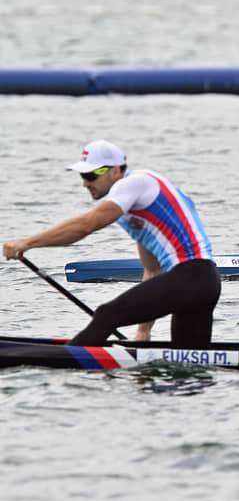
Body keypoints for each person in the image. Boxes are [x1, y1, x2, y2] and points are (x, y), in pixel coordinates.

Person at [2, 140, 221, 347]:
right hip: (204, 283)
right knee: (189, 364)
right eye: (82, 175)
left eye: (91, 175)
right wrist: (143, 332)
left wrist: (26, 244)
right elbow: (153, 271)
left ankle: (67, 364)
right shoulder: (136, 208)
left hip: (190, 276)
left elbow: (85, 226)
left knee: (107, 314)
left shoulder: (134, 183)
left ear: (116, 170)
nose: (85, 183)